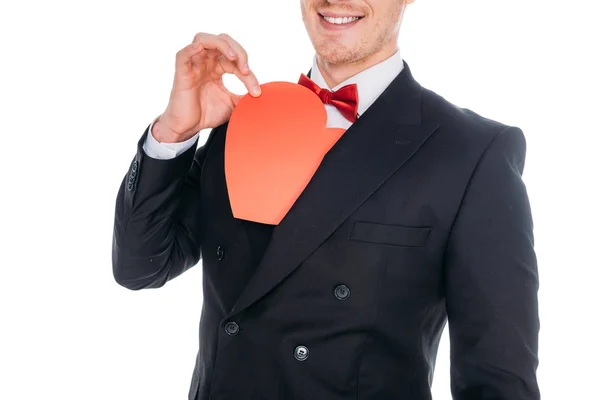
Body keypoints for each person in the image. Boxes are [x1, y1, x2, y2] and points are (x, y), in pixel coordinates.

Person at [112, 0, 540, 399]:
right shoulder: (241, 119)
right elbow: (139, 266)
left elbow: (498, 381)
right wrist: (173, 133)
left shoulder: (471, 153)